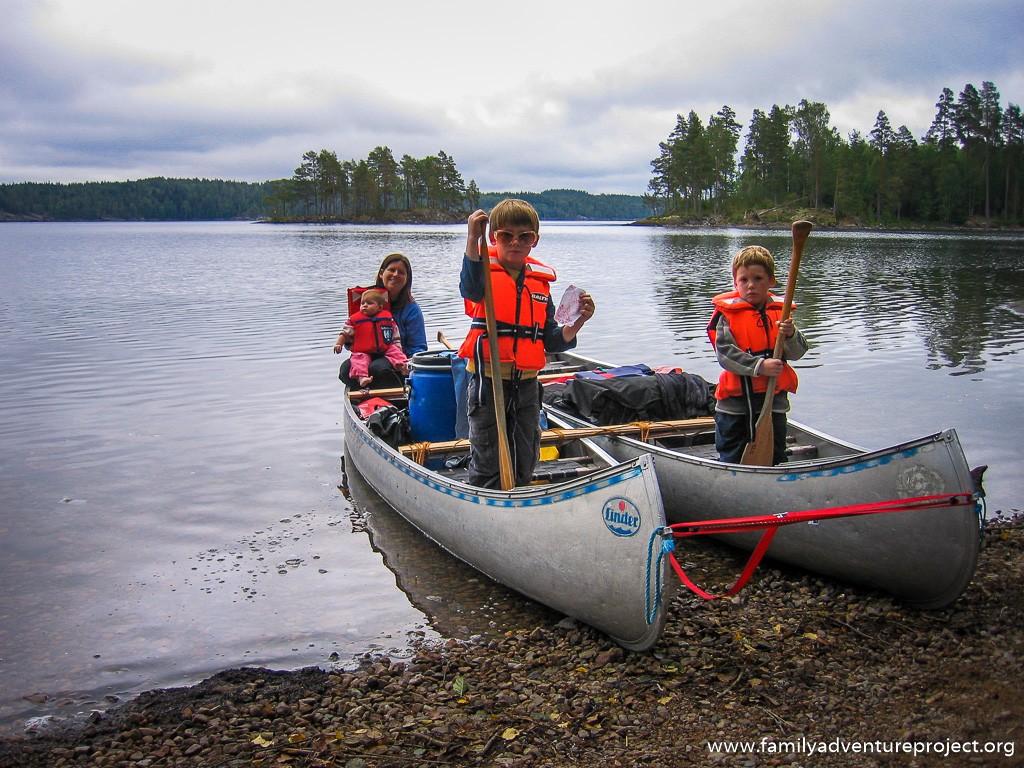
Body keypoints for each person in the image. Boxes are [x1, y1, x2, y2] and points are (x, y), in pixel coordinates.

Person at [457, 199, 595, 488]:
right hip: (489, 383)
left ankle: (519, 499)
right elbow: (468, 288)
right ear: (494, 237)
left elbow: (552, 340)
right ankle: (487, 507)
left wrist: (578, 321)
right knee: (488, 456)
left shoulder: (539, 283)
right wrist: (472, 237)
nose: (515, 243)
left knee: (525, 455)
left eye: (524, 237)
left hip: (528, 386)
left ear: (534, 241)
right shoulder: (481, 272)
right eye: (506, 236)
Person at [707, 245, 809, 465]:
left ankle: (776, 482)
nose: (751, 285)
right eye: (744, 280)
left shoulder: (781, 315)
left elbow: (799, 352)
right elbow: (725, 354)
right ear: (735, 283)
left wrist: (790, 335)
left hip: (773, 404)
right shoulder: (727, 315)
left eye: (758, 278)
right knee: (733, 455)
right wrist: (760, 366)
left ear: (771, 281)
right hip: (736, 407)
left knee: (776, 455)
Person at [338, 253, 427, 389]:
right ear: (381, 274)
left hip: (397, 359)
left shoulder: (411, 309)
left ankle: (399, 400)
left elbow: (418, 347)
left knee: (378, 368)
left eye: (401, 272)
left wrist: (410, 362)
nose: (396, 275)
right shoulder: (366, 302)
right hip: (365, 355)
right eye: (391, 270)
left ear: (407, 279)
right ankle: (364, 398)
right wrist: (349, 341)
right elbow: (349, 339)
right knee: (345, 371)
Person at [334, 288, 409, 389]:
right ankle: (362, 379)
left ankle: (404, 367)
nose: (365, 305)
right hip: (363, 351)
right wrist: (339, 344)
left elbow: (395, 336)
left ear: (380, 307)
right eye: (362, 303)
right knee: (358, 361)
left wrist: (398, 348)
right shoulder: (354, 320)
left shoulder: (387, 318)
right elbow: (345, 334)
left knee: (396, 353)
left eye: (369, 303)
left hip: (385, 348)